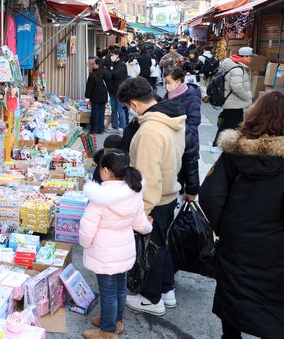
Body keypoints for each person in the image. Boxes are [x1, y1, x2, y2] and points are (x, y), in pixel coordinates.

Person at [199, 91, 284, 339]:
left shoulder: (234, 152)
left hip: (235, 241)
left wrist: (224, 227)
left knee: (233, 294)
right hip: (277, 246)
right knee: (274, 304)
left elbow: (210, 196)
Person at [116, 77, 186, 316]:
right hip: (168, 194)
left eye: (127, 105)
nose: (129, 110)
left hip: (154, 200)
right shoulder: (171, 118)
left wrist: (142, 211)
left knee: (150, 250)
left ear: (134, 103)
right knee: (161, 246)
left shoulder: (149, 130)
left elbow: (147, 177)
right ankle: (167, 290)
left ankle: (151, 298)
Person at [80, 150, 153, 339]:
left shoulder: (99, 198)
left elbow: (87, 229)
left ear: (105, 171)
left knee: (108, 293)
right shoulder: (134, 192)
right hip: (124, 250)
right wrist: (148, 226)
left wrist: (85, 244)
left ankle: (107, 331)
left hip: (104, 253)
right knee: (120, 288)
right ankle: (116, 321)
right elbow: (141, 224)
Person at [211, 46, 254, 153]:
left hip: (233, 103)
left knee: (233, 124)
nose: (251, 59)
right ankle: (217, 145)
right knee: (229, 125)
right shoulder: (238, 69)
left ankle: (230, 145)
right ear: (245, 56)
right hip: (234, 103)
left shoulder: (234, 65)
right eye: (250, 57)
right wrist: (247, 97)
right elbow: (237, 87)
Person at [164, 67, 201, 146]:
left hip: (185, 140)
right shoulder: (168, 94)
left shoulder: (192, 96)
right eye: (165, 83)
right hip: (170, 139)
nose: (166, 85)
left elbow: (193, 122)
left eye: (168, 82)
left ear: (178, 81)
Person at [104, 49, 128, 132]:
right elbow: (108, 73)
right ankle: (114, 125)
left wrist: (110, 70)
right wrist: (110, 69)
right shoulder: (113, 63)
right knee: (113, 109)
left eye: (113, 54)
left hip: (119, 90)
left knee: (120, 109)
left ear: (118, 55)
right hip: (112, 89)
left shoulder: (122, 64)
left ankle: (122, 126)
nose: (112, 56)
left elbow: (115, 75)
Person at [85, 58, 110, 134]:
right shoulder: (106, 73)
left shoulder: (93, 75)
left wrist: (87, 96)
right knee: (101, 113)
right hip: (104, 96)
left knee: (95, 113)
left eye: (93, 64)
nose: (92, 65)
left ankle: (94, 129)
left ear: (98, 65)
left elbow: (89, 87)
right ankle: (100, 129)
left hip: (95, 97)